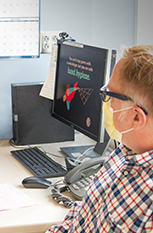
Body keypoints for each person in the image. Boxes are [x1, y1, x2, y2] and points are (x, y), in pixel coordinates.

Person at [47, 45, 153, 232]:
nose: (107, 103)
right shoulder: (124, 151)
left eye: (109, 95)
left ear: (137, 117)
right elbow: (80, 218)